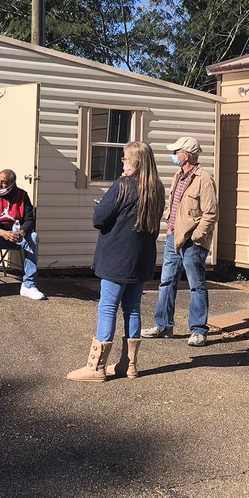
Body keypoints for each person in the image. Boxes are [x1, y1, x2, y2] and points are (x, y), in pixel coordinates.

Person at [68, 142, 165, 383]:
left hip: (117, 256)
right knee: (132, 308)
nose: (122, 162)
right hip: (141, 258)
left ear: (135, 162)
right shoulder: (157, 188)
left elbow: (100, 218)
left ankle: (96, 366)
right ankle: (129, 364)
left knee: (108, 306)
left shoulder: (123, 185)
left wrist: (101, 205)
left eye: (124, 158)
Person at [140, 135, 218, 346]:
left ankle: (199, 330)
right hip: (173, 238)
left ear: (187, 155)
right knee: (166, 282)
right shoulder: (178, 175)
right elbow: (173, 204)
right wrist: (169, 219)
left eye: (177, 152)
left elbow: (211, 213)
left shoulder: (204, 179)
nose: (174, 155)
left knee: (196, 285)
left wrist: (196, 236)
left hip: (193, 241)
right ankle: (163, 326)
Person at [0, 169, 45, 301]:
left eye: (4, 183)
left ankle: (29, 285)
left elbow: (29, 220)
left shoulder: (22, 195)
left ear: (12, 184)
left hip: (16, 236)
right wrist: (2, 232)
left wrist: (22, 232)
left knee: (33, 237)